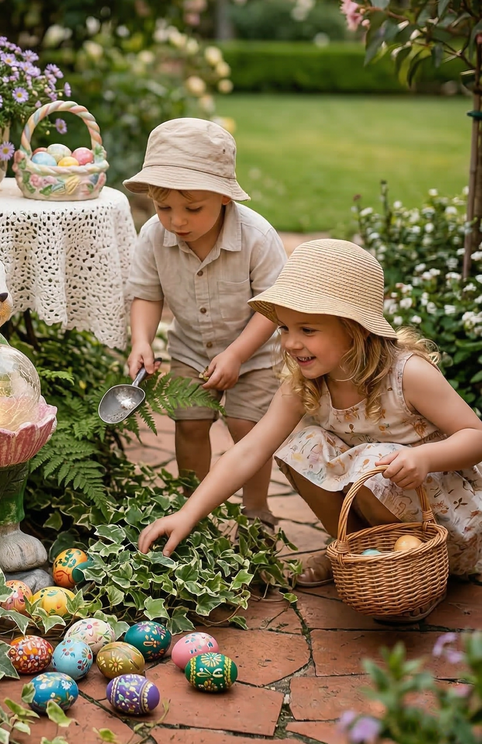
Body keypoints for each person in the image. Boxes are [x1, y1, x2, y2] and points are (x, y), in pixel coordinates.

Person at [138, 239, 482, 590]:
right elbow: (249, 450)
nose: (289, 343)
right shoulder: (307, 382)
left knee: (374, 462)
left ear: (355, 329)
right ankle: (355, 550)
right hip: (380, 500)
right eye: (285, 328)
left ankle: (408, 569)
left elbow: (476, 437)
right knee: (303, 446)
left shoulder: (408, 374)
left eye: (307, 330)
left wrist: (424, 456)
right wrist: (187, 514)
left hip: (448, 526)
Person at [123, 118, 287, 530]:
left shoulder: (257, 237)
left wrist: (236, 354)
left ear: (225, 198)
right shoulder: (152, 237)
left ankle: (256, 512)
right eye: (164, 208)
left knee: (247, 428)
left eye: (192, 208)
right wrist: (141, 340)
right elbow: (147, 293)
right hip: (190, 350)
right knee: (189, 425)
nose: (177, 220)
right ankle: (192, 511)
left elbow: (273, 307)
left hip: (255, 352)